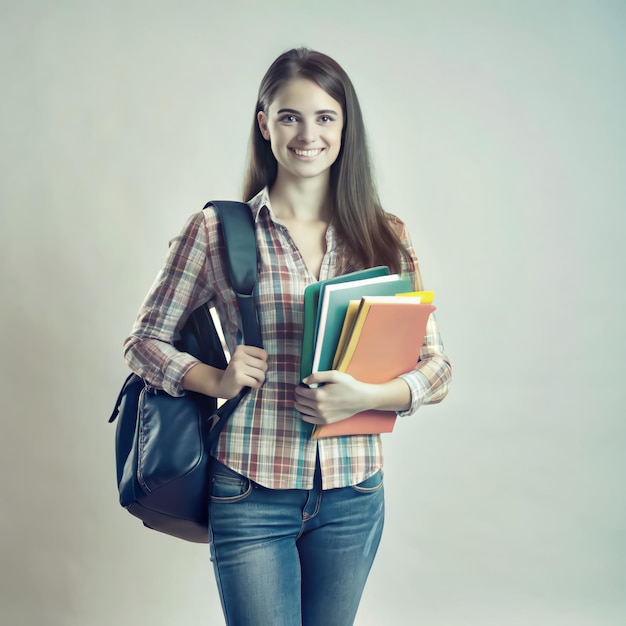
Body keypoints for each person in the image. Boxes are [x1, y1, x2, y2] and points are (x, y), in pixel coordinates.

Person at [124, 47, 451, 626]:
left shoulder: (384, 236)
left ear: (345, 128)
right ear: (264, 123)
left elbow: (436, 367)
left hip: (354, 493)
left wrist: (367, 397)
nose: (308, 134)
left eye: (325, 117)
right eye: (290, 116)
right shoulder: (217, 230)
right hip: (250, 489)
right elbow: (144, 341)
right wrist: (214, 378)